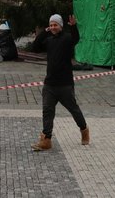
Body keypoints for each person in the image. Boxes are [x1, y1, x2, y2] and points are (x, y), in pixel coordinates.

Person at [30, 14, 89, 151]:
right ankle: (46, 140)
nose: (53, 27)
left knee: (74, 109)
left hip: (65, 85)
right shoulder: (49, 40)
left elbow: (76, 38)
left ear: (61, 26)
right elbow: (35, 47)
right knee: (47, 112)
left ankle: (84, 129)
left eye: (55, 25)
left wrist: (74, 26)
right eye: (51, 25)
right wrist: (44, 32)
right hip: (50, 84)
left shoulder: (67, 38)